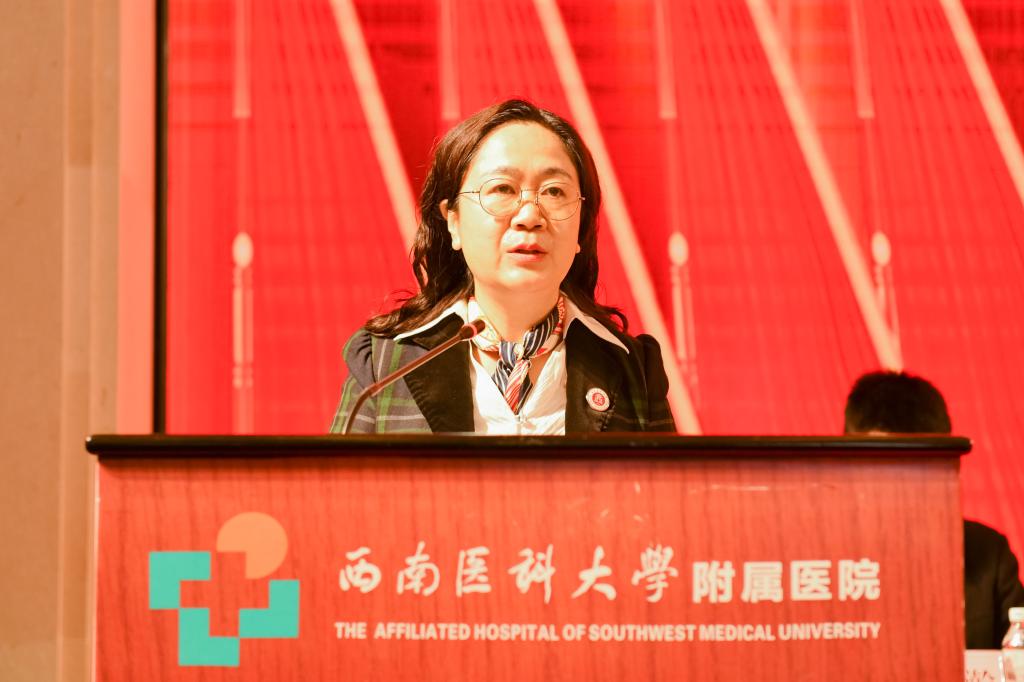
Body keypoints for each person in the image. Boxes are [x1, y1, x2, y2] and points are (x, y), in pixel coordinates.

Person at [330, 99, 676, 435]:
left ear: (581, 226)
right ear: (453, 221)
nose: (530, 216)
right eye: (502, 189)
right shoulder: (384, 364)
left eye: (554, 192)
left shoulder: (634, 370)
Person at [844, 370, 1024, 649]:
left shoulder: (986, 552)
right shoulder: (818, 558)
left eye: (914, 465)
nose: (897, 484)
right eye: (880, 464)